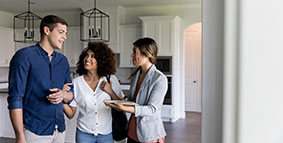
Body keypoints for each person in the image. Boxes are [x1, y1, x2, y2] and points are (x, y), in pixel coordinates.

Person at [8, 15, 74, 143]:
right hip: (34, 131)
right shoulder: (24, 56)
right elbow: (15, 99)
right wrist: (20, 136)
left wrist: (63, 94)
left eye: (65, 33)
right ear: (46, 30)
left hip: (59, 130)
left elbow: (71, 94)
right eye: (61, 32)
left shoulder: (63, 61)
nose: (64, 37)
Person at [105, 37, 168, 143]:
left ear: (146, 54)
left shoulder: (159, 79)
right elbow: (130, 102)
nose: (131, 55)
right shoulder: (136, 75)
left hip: (149, 135)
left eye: (135, 51)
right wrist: (110, 92)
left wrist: (126, 109)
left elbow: (152, 109)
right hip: (132, 132)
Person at [63, 42, 124, 143]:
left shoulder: (111, 79)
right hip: (84, 134)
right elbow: (71, 114)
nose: (88, 59)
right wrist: (61, 99)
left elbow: (122, 106)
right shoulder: (77, 82)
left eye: (93, 56)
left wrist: (110, 91)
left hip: (106, 133)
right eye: (86, 55)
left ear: (101, 60)